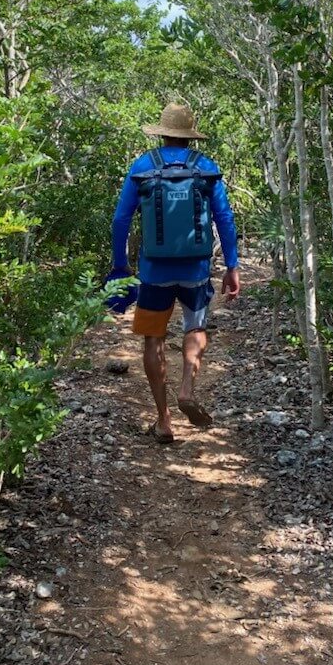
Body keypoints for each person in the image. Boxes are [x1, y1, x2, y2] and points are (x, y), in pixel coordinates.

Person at [111, 102, 240, 443]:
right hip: (195, 269)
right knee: (195, 327)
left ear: (163, 132)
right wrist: (232, 265)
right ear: (189, 136)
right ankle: (186, 389)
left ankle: (164, 419)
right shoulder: (206, 168)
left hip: (155, 271)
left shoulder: (143, 166)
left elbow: (121, 219)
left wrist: (119, 265)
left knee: (153, 339)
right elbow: (224, 218)